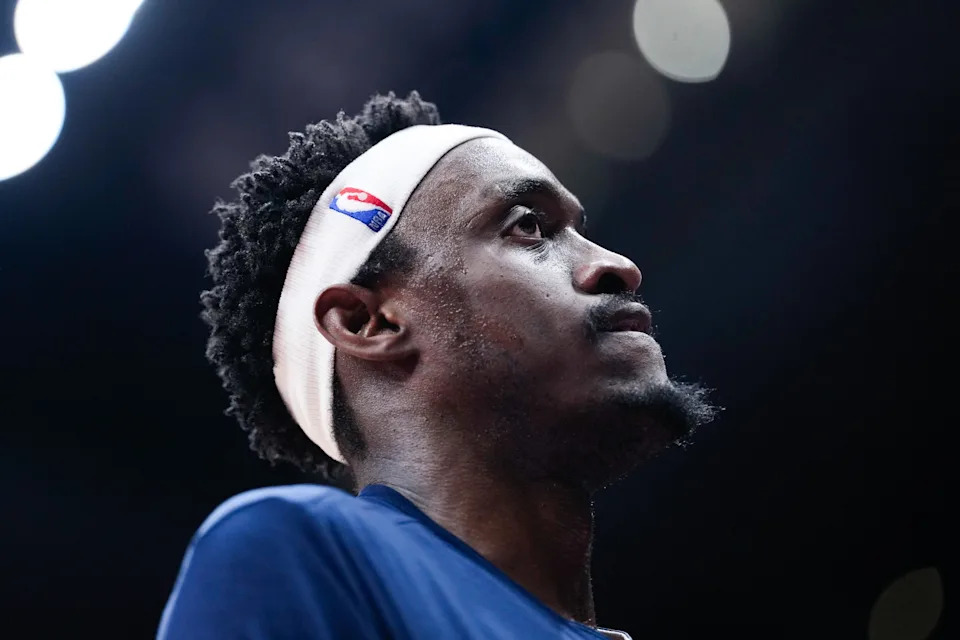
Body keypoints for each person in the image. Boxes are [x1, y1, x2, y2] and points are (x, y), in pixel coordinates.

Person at [158, 92, 715, 639]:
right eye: (528, 226)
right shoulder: (298, 557)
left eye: (578, 232)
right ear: (367, 323)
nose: (618, 266)